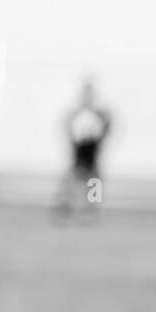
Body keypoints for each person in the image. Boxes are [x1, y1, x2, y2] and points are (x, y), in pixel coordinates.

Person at [55, 78, 111, 219]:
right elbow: (67, 125)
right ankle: (65, 206)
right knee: (73, 178)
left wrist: (101, 137)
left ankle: (90, 210)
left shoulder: (99, 113)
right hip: (80, 147)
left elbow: (106, 126)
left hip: (92, 147)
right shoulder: (77, 112)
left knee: (93, 179)